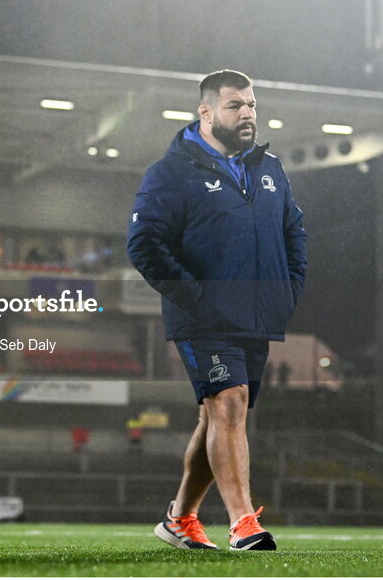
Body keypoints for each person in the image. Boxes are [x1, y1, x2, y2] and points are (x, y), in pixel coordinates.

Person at [127, 69, 306, 551]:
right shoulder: (171, 172)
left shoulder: (270, 170)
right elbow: (144, 245)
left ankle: (179, 518)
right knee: (228, 405)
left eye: (251, 104)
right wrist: (196, 298)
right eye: (235, 105)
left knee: (220, 417)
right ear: (205, 113)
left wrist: (288, 291)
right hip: (202, 318)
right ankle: (244, 523)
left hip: (259, 315)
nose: (247, 113)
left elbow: (294, 234)